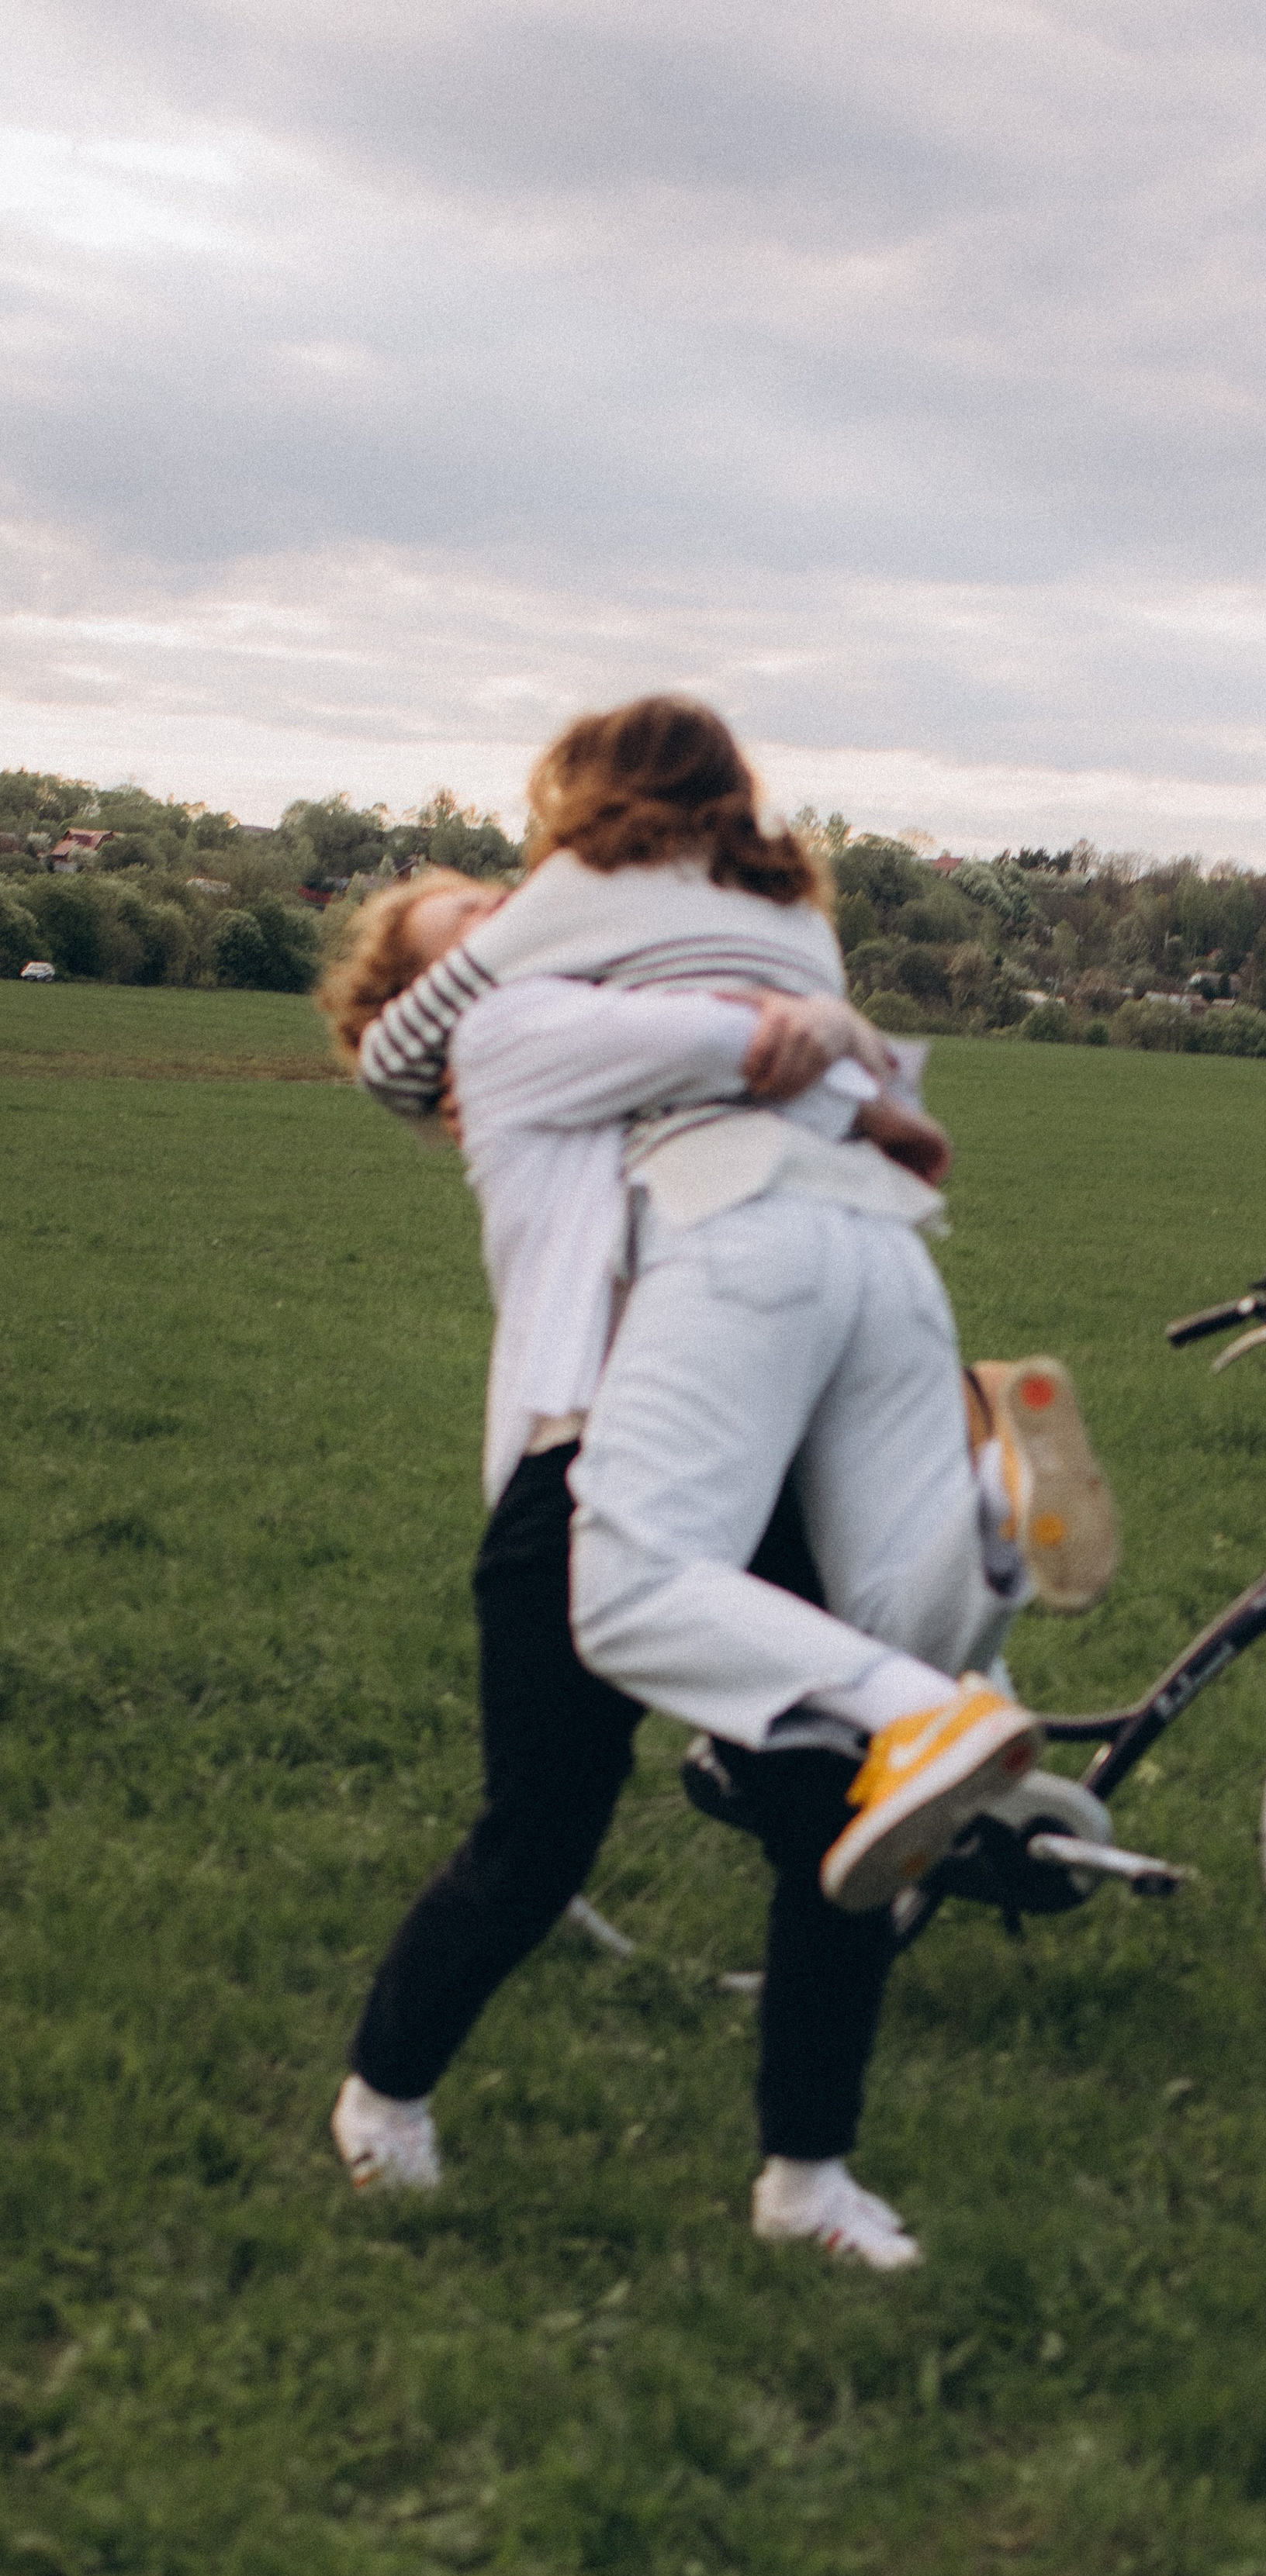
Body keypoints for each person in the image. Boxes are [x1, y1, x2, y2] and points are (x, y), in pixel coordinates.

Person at [319, 760, 1113, 2263]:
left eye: (507, 899)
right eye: (468, 924)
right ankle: (383, 2102)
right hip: (579, 1479)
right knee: (536, 1842)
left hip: (757, 1467)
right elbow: (751, 1036)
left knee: (842, 1819)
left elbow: (823, 1101)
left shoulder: (652, 1050)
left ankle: (806, 2182)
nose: (513, 922)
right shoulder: (522, 1084)